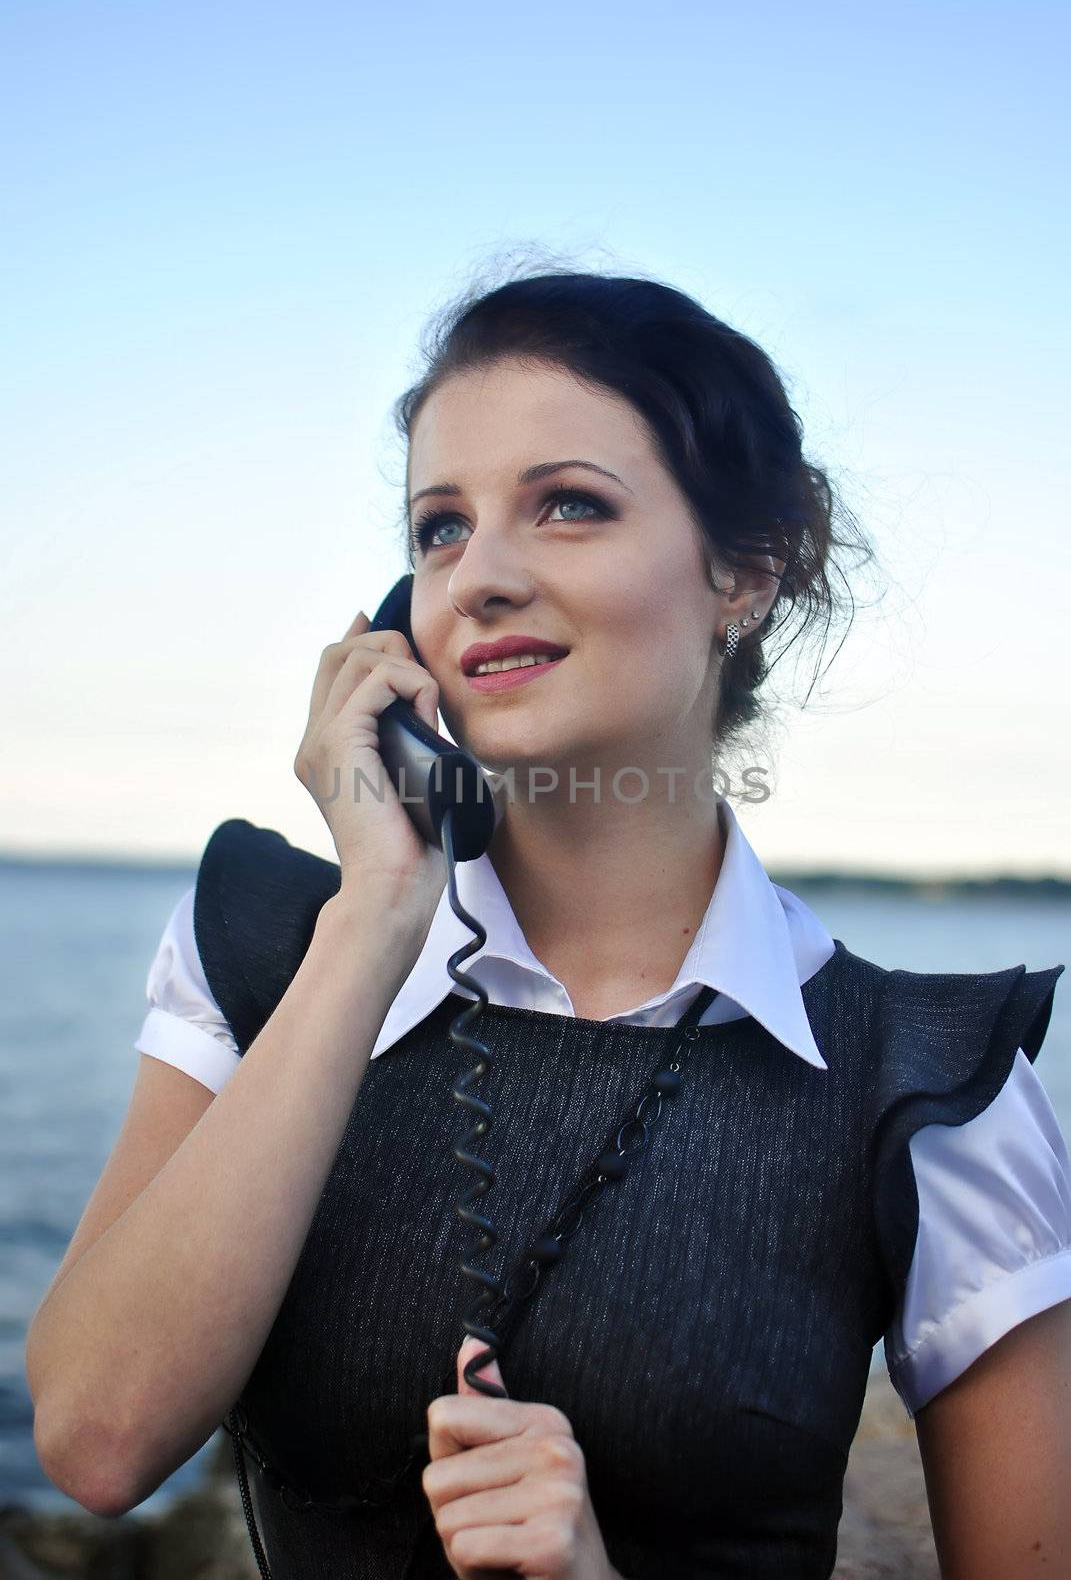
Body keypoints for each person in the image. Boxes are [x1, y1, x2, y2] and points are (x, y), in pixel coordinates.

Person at [26, 265, 1071, 1580]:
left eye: (569, 505)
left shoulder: (926, 1087)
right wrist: (376, 916)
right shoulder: (261, 941)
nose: (481, 580)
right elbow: (98, 1439)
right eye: (440, 529)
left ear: (746, 568)